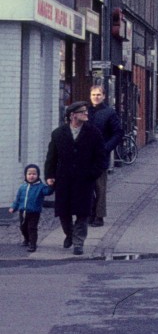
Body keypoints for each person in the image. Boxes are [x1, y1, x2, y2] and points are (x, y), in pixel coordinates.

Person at [45, 102, 106, 255]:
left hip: (84, 180)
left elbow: (101, 158)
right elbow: (51, 157)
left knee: (83, 212)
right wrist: (50, 175)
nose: (86, 114)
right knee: (63, 212)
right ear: (72, 115)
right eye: (82, 112)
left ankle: (79, 242)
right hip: (64, 179)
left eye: (86, 111)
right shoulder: (58, 133)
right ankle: (69, 234)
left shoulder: (94, 133)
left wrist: (92, 173)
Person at [87, 84, 122, 226]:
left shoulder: (109, 113)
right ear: (90, 96)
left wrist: (106, 148)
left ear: (104, 96)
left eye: (98, 95)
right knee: (86, 187)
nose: (96, 97)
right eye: (93, 95)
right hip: (85, 156)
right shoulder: (85, 111)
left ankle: (99, 216)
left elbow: (118, 133)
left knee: (100, 187)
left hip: (100, 156)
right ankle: (89, 212)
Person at [9, 164, 53, 253]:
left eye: (34, 174)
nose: (31, 176)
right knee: (23, 227)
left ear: (38, 175)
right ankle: (26, 239)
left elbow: (48, 192)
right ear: (25, 175)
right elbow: (17, 199)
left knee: (32, 228)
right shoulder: (22, 187)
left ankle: (33, 244)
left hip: (34, 212)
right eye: (29, 174)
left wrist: (51, 185)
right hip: (23, 211)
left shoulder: (41, 187)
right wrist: (13, 207)